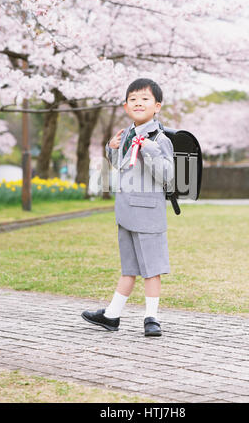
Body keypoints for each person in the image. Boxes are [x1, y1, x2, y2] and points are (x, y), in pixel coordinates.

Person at [81, 78, 174, 337]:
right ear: (125, 106)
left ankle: (152, 317)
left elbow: (168, 175)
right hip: (126, 213)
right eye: (133, 99)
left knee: (151, 268)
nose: (138, 103)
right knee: (129, 268)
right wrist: (112, 150)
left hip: (148, 214)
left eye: (144, 99)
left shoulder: (160, 138)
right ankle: (112, 315)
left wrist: (151, 150)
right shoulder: (126, 136)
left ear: (157, 106)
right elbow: (124, 168)